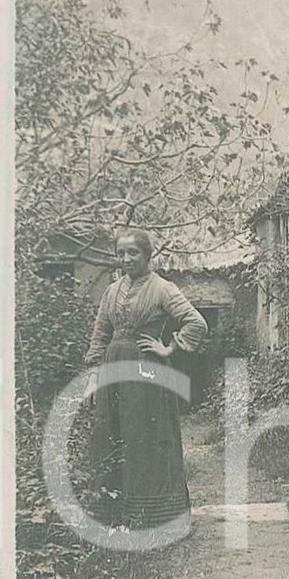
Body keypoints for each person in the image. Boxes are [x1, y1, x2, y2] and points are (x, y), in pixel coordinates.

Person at [83, 227, 208, 531]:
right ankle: (114, 516)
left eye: (133, 253)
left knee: (145, 441)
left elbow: (196, 323)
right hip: (113, 373)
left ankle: (153, 520)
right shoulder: (112, 291)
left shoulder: (163, 288)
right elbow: (100, 337)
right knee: (113, 438)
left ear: (148, 254)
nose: (126, 259)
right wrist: (92, 380)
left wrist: (168, 348)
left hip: (145, 375)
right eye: (121, 253)